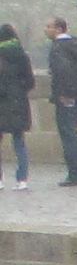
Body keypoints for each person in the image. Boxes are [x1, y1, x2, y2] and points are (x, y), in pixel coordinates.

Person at [47, 19, 77, 193]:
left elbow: (62, 71)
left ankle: (76, 172)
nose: (46, 30)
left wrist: (64, 93)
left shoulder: (58, 48)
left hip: (66, 97)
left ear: (58, 29)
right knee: (73, 132)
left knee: (68, 134)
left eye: (48, 27)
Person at [0, 24, 30, 187]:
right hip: (18, 102)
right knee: (19, 141)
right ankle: (22, 179)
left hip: (1, 101)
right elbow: (30, 81)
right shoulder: (22, 54)